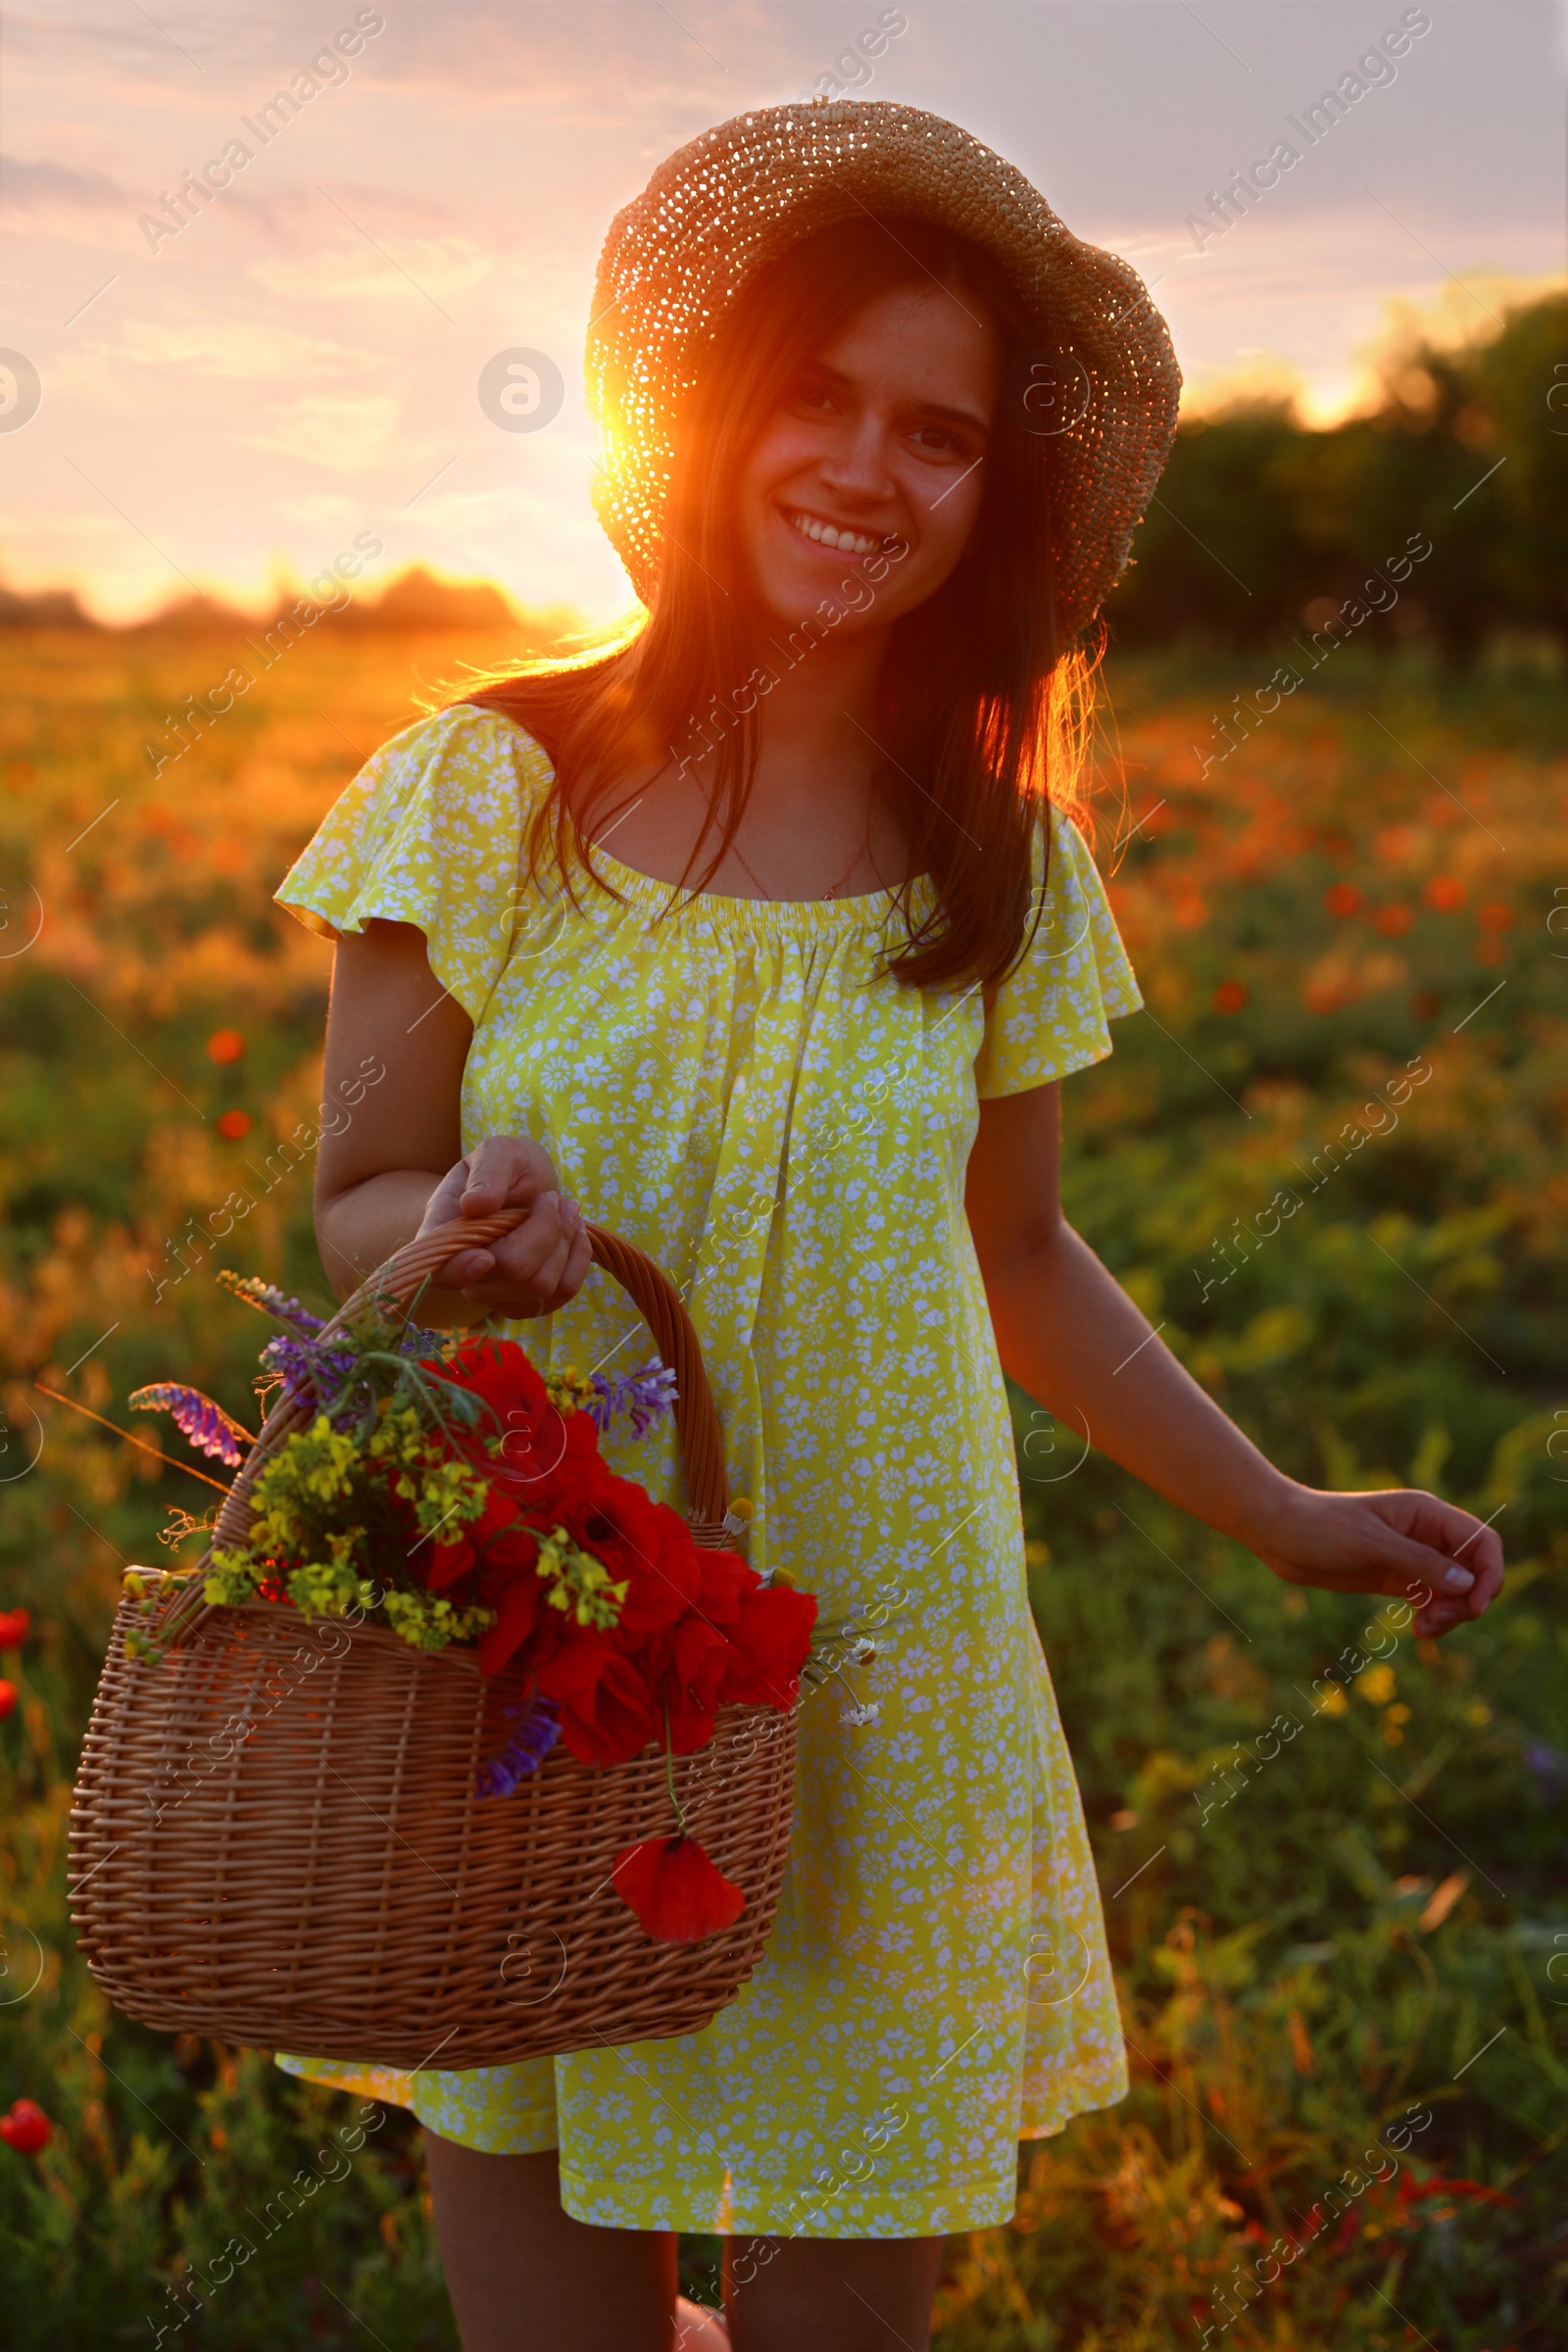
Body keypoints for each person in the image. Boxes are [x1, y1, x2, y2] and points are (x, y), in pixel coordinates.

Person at [269, 99, 1504, 2352]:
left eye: (935, 432)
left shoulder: (991, 861)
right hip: (545, 1646)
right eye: (814, 396)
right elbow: (343, 1209)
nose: (865, 464)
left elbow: (1021, 1259)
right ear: (710, 415)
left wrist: (1276, 1511)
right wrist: (442, 1224)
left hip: (878, 1646)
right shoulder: (483, 787)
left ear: (991, 496)